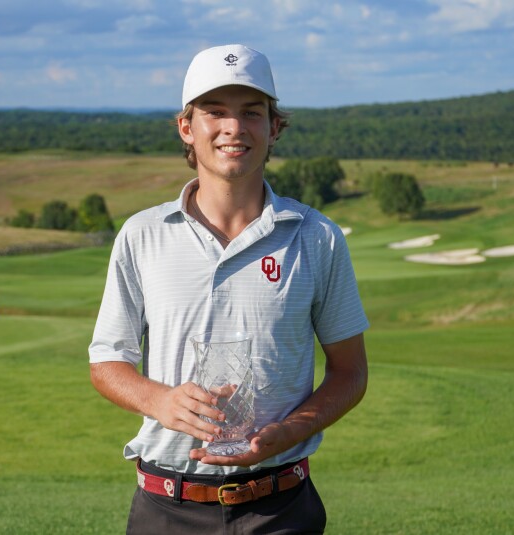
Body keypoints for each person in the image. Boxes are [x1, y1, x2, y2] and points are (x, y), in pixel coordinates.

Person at [89, 43, 369, 533]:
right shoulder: (142, 234)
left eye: (251, 113)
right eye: (214, 112)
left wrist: (290, 431)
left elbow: (350, 373)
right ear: (186, 128)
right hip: (166, 506)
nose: (233, 128)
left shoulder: (316, 236)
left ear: (274, 127)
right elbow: (106, 362)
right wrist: (160, 400)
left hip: (280, 508)